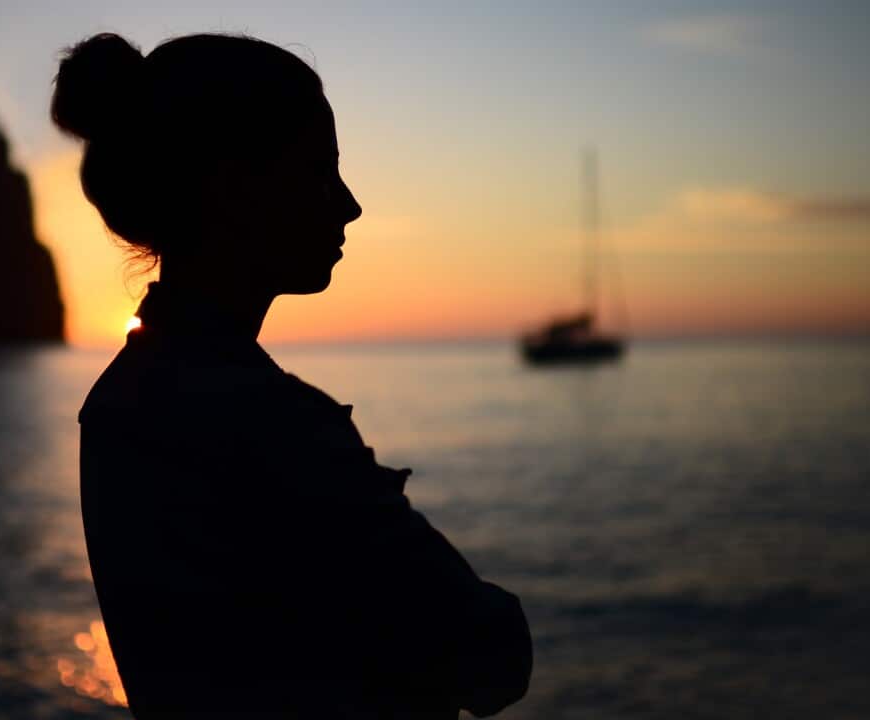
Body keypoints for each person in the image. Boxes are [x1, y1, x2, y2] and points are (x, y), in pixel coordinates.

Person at [54, 32, 531, 719]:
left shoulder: (118, 403)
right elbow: (491, 656)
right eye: (319, 170)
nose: (349, 204)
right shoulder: (268, 424)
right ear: (231, 185)